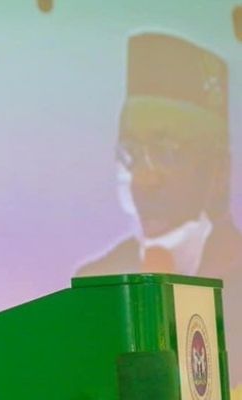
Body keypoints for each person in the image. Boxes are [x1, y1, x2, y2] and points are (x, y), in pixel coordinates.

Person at [76, 33, 242, 389]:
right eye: (131, 154)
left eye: (167, 152)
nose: (143, 179)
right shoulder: (97, 280)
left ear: (218, 171)